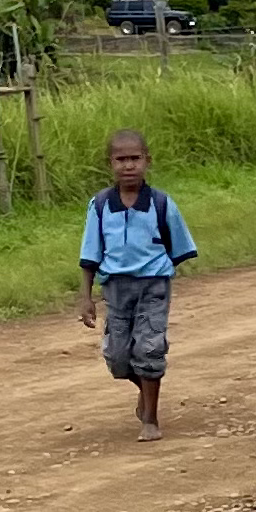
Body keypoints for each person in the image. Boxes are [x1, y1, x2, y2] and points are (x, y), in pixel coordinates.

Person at [78, 128, 197, 442]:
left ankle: (150, 419)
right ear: (110, 164)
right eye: (121, 160)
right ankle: (144, 393)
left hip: (152, 287)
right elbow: (90, 254)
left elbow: (179, 247)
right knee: (118, 358)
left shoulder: (160, 203)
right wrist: (86, 297)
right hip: (115, 289)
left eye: (135, 159)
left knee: (149, 348)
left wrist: (156, 271)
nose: (128, 166)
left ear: (147, 161)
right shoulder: (100, 205)